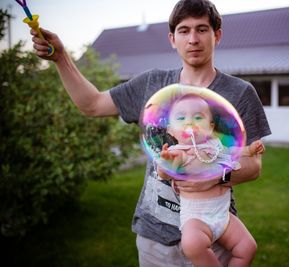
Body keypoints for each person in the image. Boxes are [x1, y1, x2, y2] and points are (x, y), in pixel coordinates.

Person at [30, 0, 271, 266]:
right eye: (184, 30)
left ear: (217, 35)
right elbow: (92, 104)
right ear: (172, 38)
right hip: (155, 238)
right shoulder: (152, 84)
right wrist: (61, 57)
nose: (193, 39)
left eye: (202, 29)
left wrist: (212, 177)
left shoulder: (240, 92)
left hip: (216, 234)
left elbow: (253, 166)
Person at [158, 93, 265, 266]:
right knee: (192, 244)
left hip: (223, 216)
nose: (189, 122)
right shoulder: (179, 151)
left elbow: (234, 152)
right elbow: (164, 173)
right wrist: (167, 161)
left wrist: (250, 150)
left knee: (248, 247)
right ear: (171, 130)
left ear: (210, 127)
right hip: (196, 218)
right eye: (181, 118)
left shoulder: (215, 146)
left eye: (198, 117)